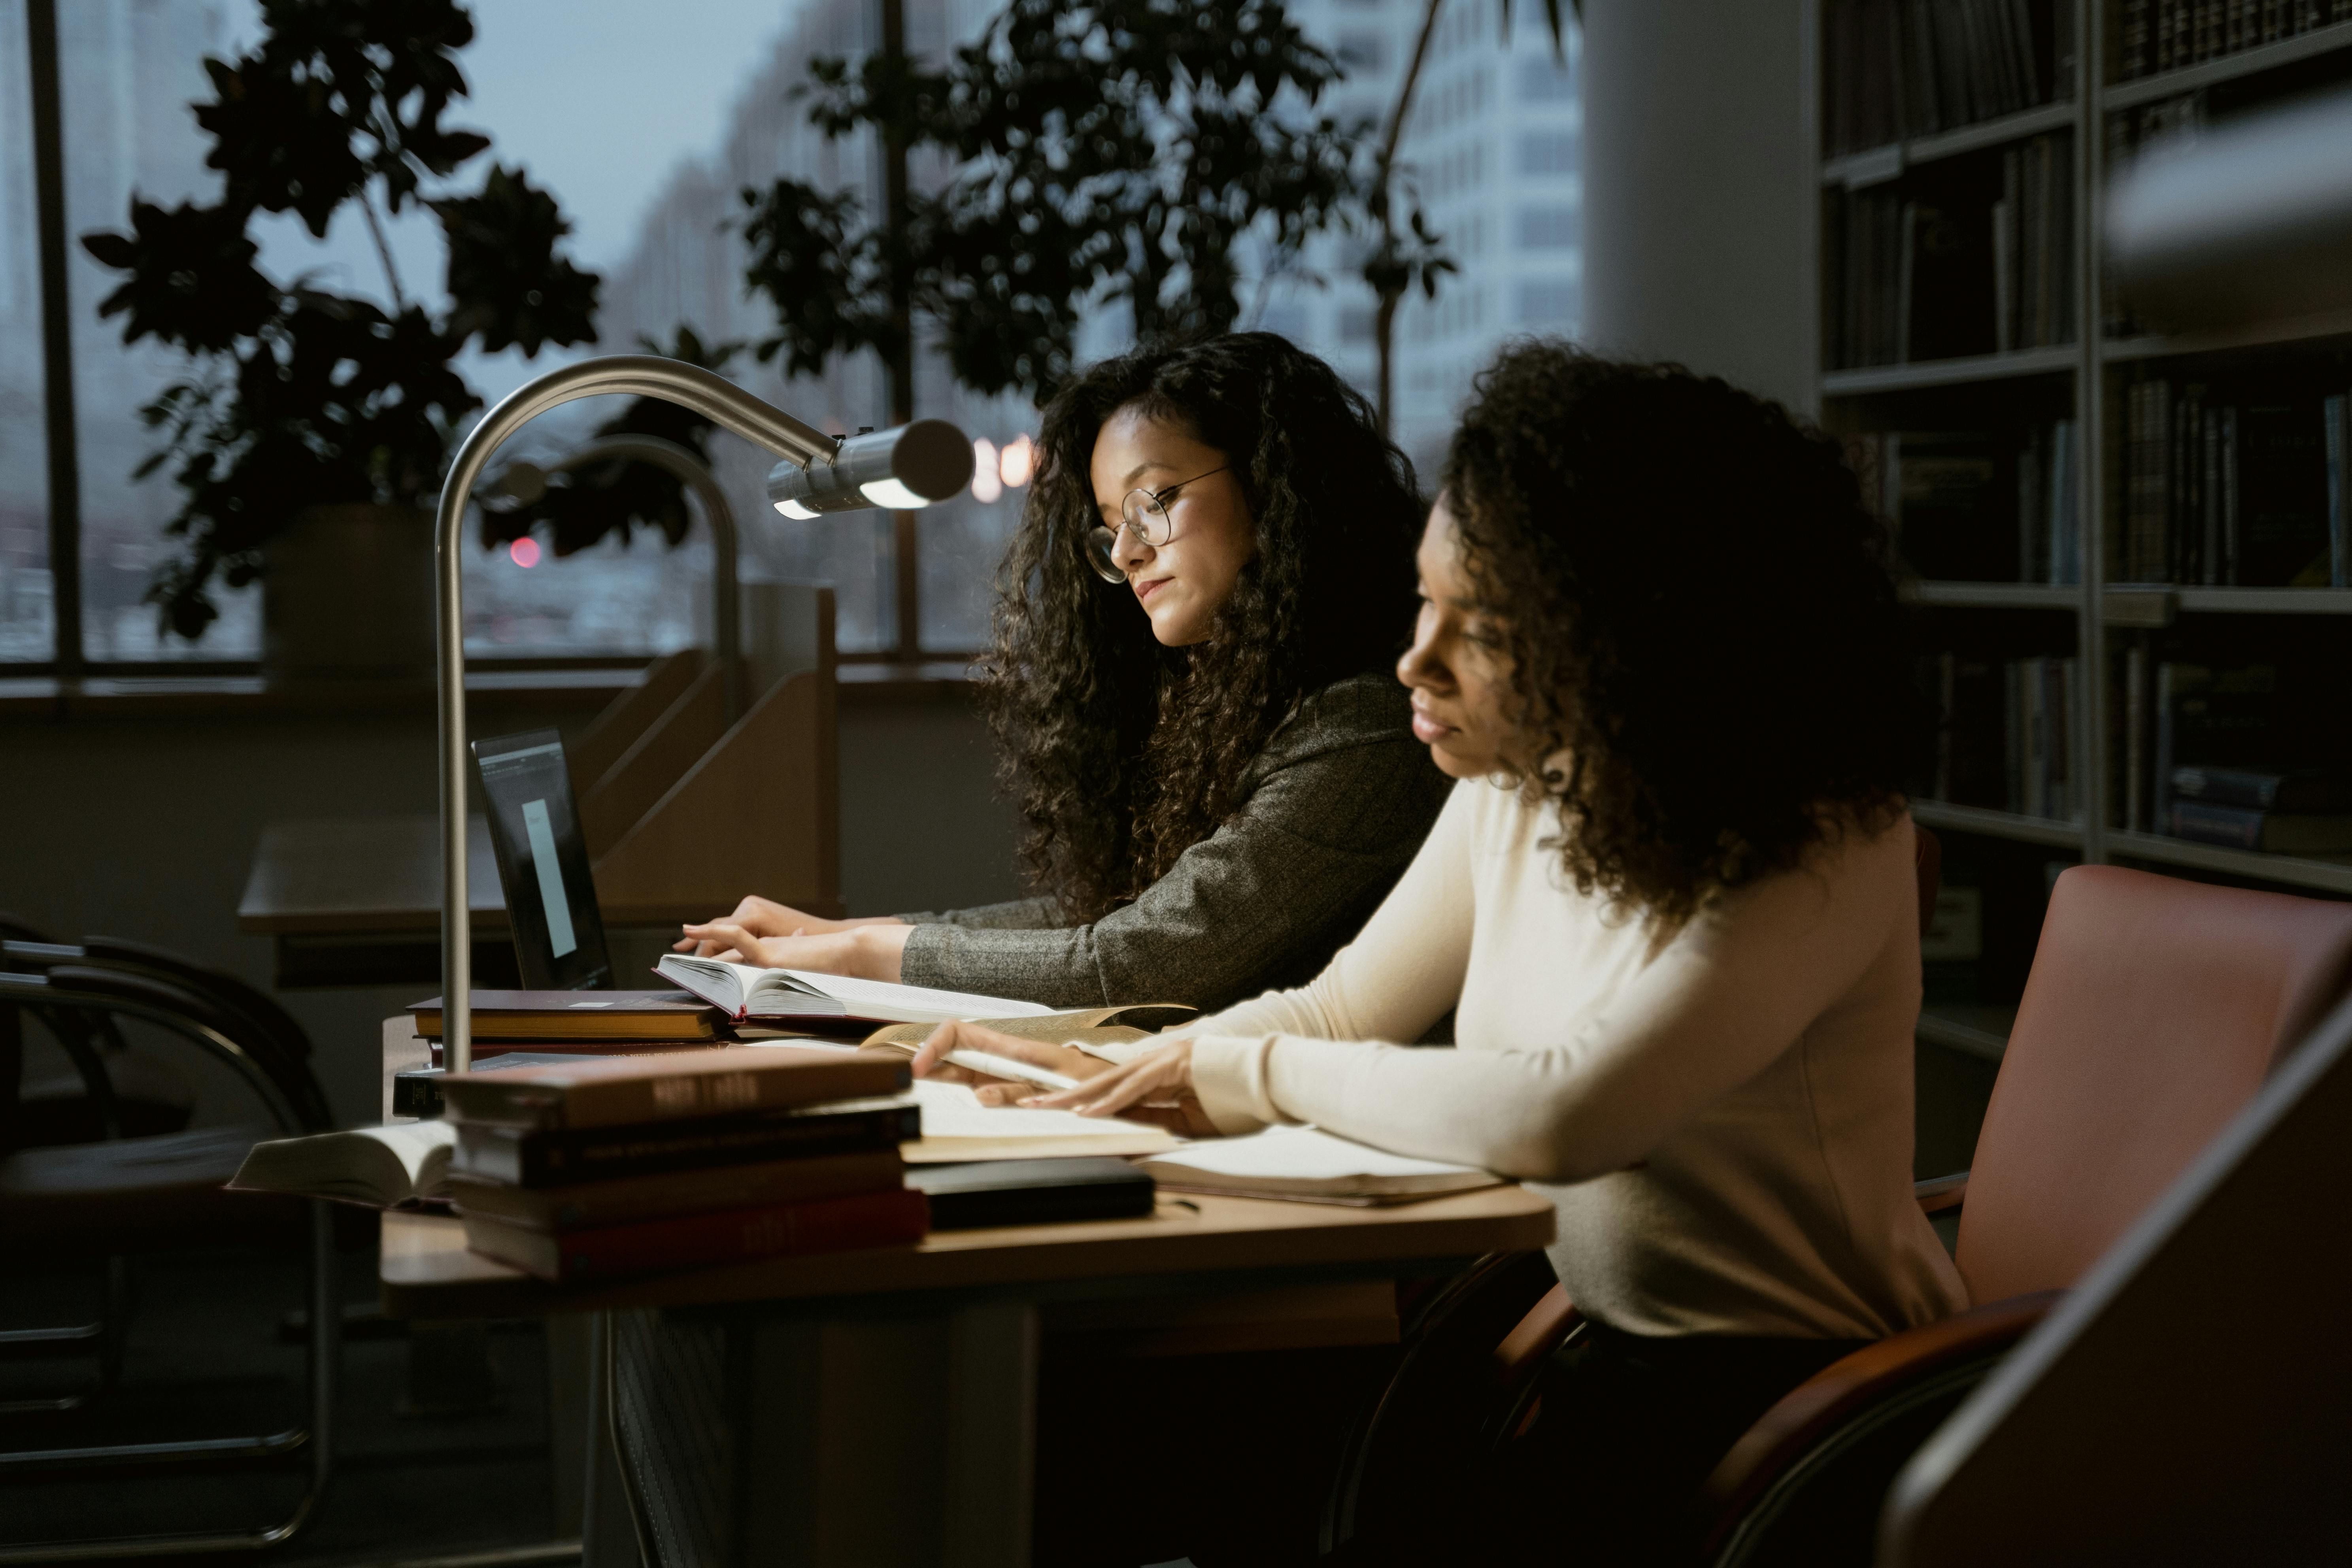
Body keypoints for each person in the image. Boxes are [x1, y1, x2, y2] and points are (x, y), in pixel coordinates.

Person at [920, 344, 1970, 1563]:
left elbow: (1568, 1115)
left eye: (1485, 626)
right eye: (1427, 602)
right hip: (1599, 1361)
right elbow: (1326, 1016)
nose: (1416, 660)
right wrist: (1084, 1076)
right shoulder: (1517, 789)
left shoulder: (1825, 832)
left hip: (1800, 1414)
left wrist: (1225, 1078)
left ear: (1628, 631)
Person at [676, 333, 1450, 1013]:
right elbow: (1103, 918)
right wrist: (848, 934)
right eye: (1110, 526)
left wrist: (855, 957)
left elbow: (1137, 960)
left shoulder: (1367, 726)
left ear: (1275, 483)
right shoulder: (1238, 701)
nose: (1124, 551)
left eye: (1152, 502)